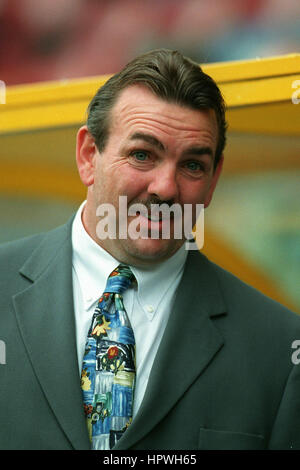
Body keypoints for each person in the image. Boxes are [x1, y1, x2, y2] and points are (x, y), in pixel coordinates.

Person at [0, 48, 300, 451]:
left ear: (213, 181)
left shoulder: (279, 348)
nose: (166, 188)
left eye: (193, 165)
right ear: (89, 156)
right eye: (142, 155)